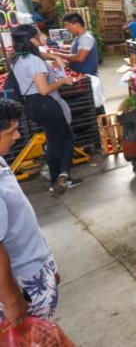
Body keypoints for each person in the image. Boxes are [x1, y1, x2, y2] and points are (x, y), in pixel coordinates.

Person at [0, 100, 60, 325]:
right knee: (27, 337)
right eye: (11, 131)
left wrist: (47, 265)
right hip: (21, 283)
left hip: (34, 268)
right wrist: (12, 301)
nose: (17, 136)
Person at [9, 25, 78, 196]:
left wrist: (54, 56)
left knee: (59, 139)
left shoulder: (18, 58)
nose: (43, 36)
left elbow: (40, 55)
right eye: (39, 34)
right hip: (45, 103)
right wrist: (62, 81)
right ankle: (59, 178)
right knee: (61, 141)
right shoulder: (34, 61)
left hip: (32, 105)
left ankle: (62, 176)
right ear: (32, 40)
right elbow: (44, 89)